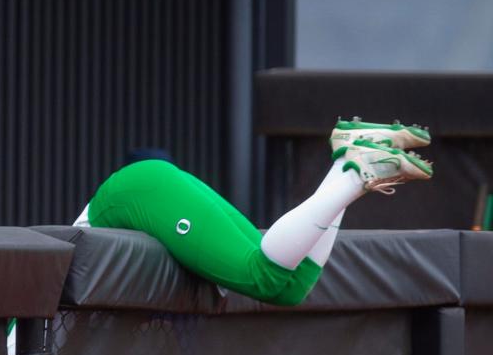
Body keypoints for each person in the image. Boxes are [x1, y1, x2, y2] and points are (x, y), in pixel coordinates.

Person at [72, 118, 433, 305]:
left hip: (131, 195)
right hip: (139, 192)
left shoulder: (17, 353)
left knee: (262, 274)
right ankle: (348, 159)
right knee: (289, 290)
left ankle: (356, 175)